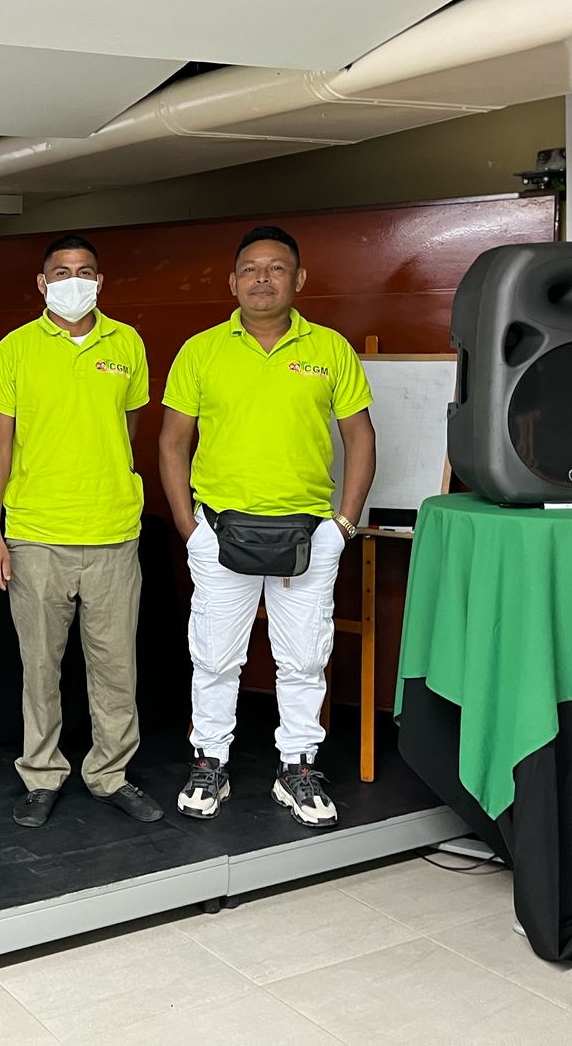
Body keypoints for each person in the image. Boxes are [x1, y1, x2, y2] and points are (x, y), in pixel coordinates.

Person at [157, 225, 375, 829]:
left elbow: (360, 438)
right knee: (214, 658)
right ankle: (210, 761)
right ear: (232, 281)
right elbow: (172, 443)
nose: (262, 278)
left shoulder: (330, 349)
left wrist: (343, 525)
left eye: (276, 268)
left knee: (304, 660)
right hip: (219, 532)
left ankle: (298, 767)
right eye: (251, 268)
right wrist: (189, 527)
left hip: (308, 536)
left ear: (298, 279)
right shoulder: (201, 350)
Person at [0, 234, 163, 828]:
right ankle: (42, 774)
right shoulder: (16, 348)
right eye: (61, 272)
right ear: (42, 283)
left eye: (85, 271)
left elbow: (128, 427)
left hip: (113, 531)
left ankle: (111, 774)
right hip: (36, 532)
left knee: (116, 667)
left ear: (100, 282)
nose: (73, 280)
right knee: (40, 667)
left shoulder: (127, 342)